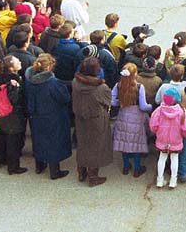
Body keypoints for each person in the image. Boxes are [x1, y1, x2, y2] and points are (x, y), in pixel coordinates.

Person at [26, 53, 72, 179]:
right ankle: (54, 171)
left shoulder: (30, 79)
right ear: (49, 67)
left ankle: (39, 166)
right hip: (53, 115)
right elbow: (64, 98)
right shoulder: (53, 83)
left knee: (39, 140)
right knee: (53, 141)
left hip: (36, 114)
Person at [72, 57, 112, 187]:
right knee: (96, 146)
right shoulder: (101, 88)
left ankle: (81, 171)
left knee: (83, 143)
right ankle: (93, 176)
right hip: (96, 119)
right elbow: (108, 102)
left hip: (81, 117)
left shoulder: (75, 82)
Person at [112, 63, 151, 178]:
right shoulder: (139, 87)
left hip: (123, 115)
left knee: (124, 140)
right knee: (137, 142)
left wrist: (121, 103)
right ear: (135, 74)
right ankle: (137, 168)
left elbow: (112, 102)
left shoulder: (118, 85)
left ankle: (125, 166)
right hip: (137, 116)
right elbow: (143, 106)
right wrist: (150, 106)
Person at [149, 87, 186, 188]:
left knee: (162, 158)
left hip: (162, 138)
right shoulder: (181, 111)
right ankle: (173, 180)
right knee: (174, 158)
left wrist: (156, 131)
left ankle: (159, 180)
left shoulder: (159, 110)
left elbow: (153, 125)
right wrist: (184, 133)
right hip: (176, 139)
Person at [0, 56, 28, 174]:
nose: (20, 61)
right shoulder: (14, 81)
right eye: (17, 61)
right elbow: (16, 99)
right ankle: (13, 167)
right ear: (11, 68)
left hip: (1, 112)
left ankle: (1, 159)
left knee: (3, 135)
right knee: (14, 140)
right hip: (13, 114)